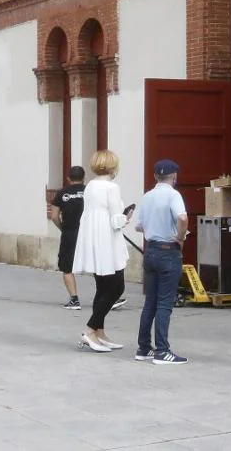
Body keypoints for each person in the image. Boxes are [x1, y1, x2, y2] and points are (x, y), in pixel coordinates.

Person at [72, 149, 133, 353]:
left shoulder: (90, 186)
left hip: (94, 238)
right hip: (108, 240)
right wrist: (127, 217)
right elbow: (117, 221)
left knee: (103, 286)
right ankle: (91, 329)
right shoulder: (111, 187)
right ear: (113, 166)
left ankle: (99, 331)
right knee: (116, 287)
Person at [134, 159, 189, 365]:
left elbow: (139, 226)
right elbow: (182, 218)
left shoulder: (148, 196)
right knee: (165, 303)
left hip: (151, 250)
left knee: (150, 302)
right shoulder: (174, 195)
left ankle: (143, 347)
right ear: (174, 176)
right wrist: (181, 236)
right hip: (168, 251)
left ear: (156, 176)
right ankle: (162, 350)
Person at [49, 165, 86, 310]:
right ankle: (108, 298)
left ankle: (74, 299)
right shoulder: (89, 192)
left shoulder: (62, 194)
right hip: (88, 233)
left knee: (67, 267)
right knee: (97, 265)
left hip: (69, 233)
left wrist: (63, 228)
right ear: (84, 178)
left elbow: (54, 216)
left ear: (68, 178)